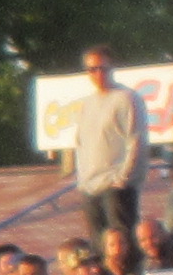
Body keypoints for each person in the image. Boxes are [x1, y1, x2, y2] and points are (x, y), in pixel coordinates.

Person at [61, 47, 144, 248]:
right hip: (90, 186)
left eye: (103, 68)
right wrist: (82, 180)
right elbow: (81, 143)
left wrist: (123, 179)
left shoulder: (126, 98)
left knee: (123, 245)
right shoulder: (87, 103)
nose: (98, 74)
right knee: (99, 247)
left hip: (115, 185)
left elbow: (136, 140)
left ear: (112, 68)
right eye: (92, 69)